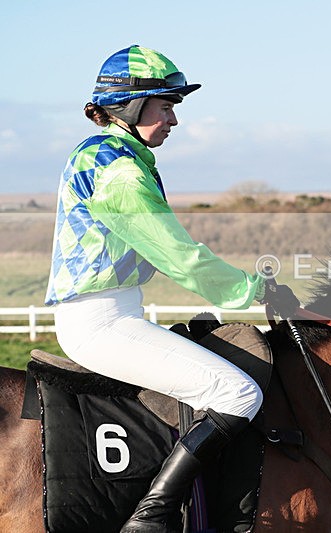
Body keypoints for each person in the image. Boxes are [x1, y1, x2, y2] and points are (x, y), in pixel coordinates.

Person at [45, 45, 296, 533]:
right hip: (101, 323)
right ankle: (151, 516)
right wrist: (254, 290)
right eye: (166, 106)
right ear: (131, 108)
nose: (174, 120)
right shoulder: (115, 168)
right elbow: (176, 253)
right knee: (238, 394)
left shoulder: (117, 156)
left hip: (115, 314)